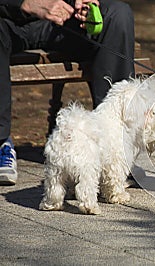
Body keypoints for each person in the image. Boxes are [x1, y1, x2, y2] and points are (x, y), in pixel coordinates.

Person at [0, 0, 135, 185]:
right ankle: (1, 143)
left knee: (117, 13)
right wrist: (27, 4)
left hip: (66, 21)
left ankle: (117, 147)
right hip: (10, 21)